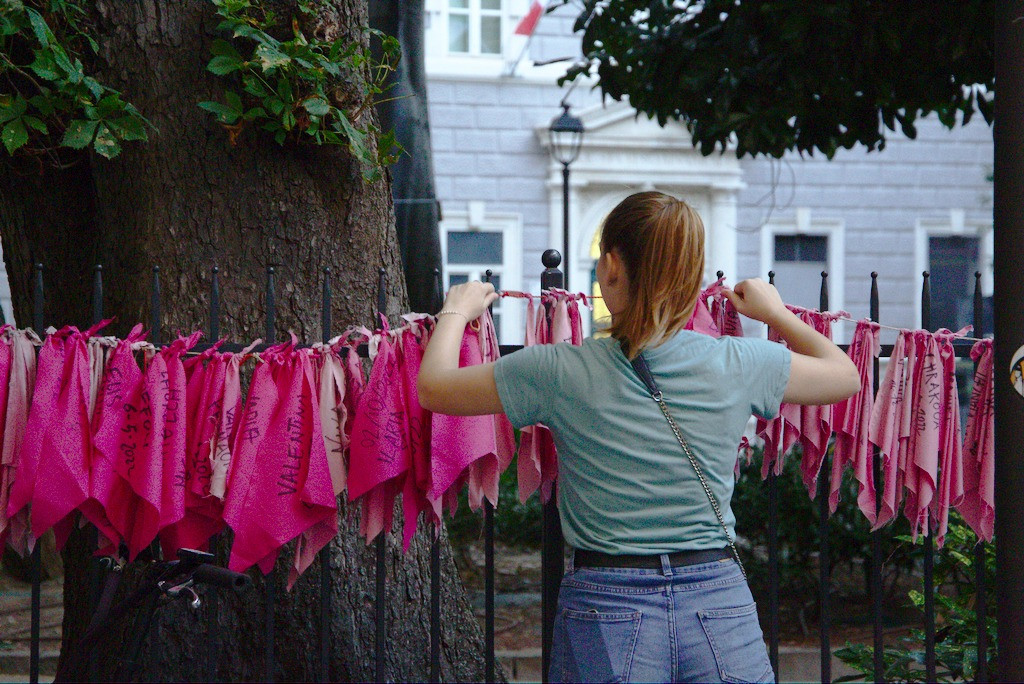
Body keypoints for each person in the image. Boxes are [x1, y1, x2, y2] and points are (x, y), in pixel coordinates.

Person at [418, 191, 860, 683]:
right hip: (719, 598)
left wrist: (456, 310)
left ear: (609, 267)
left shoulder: (558, 370)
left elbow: (434, 388)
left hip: (607, 603)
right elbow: (845, 376)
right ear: (693, 277)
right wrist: (776, 316)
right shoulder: (738, 362)